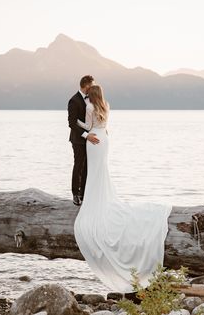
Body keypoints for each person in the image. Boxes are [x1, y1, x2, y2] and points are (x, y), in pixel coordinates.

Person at [74, 84, 172, 292]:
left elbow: (87, 126)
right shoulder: (106, 105)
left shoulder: (90, 108)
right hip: (105, 140)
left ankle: (93, 197)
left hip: (94, 140)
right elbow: (103, 126)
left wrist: (77, 124)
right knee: (102, 171)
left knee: (94, 172)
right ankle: (102, 195)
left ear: (90, 95)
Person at [68, 75, 100, 206]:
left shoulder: (91, 99)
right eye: (91, 86)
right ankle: (75, 194)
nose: (92, 88)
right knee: (78, 166)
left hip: (90, 139)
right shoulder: (74, 100)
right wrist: (86, 135)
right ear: (86, 85)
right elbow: (72, 123)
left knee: (87, 167)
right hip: (78, 140)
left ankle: (84, 193)